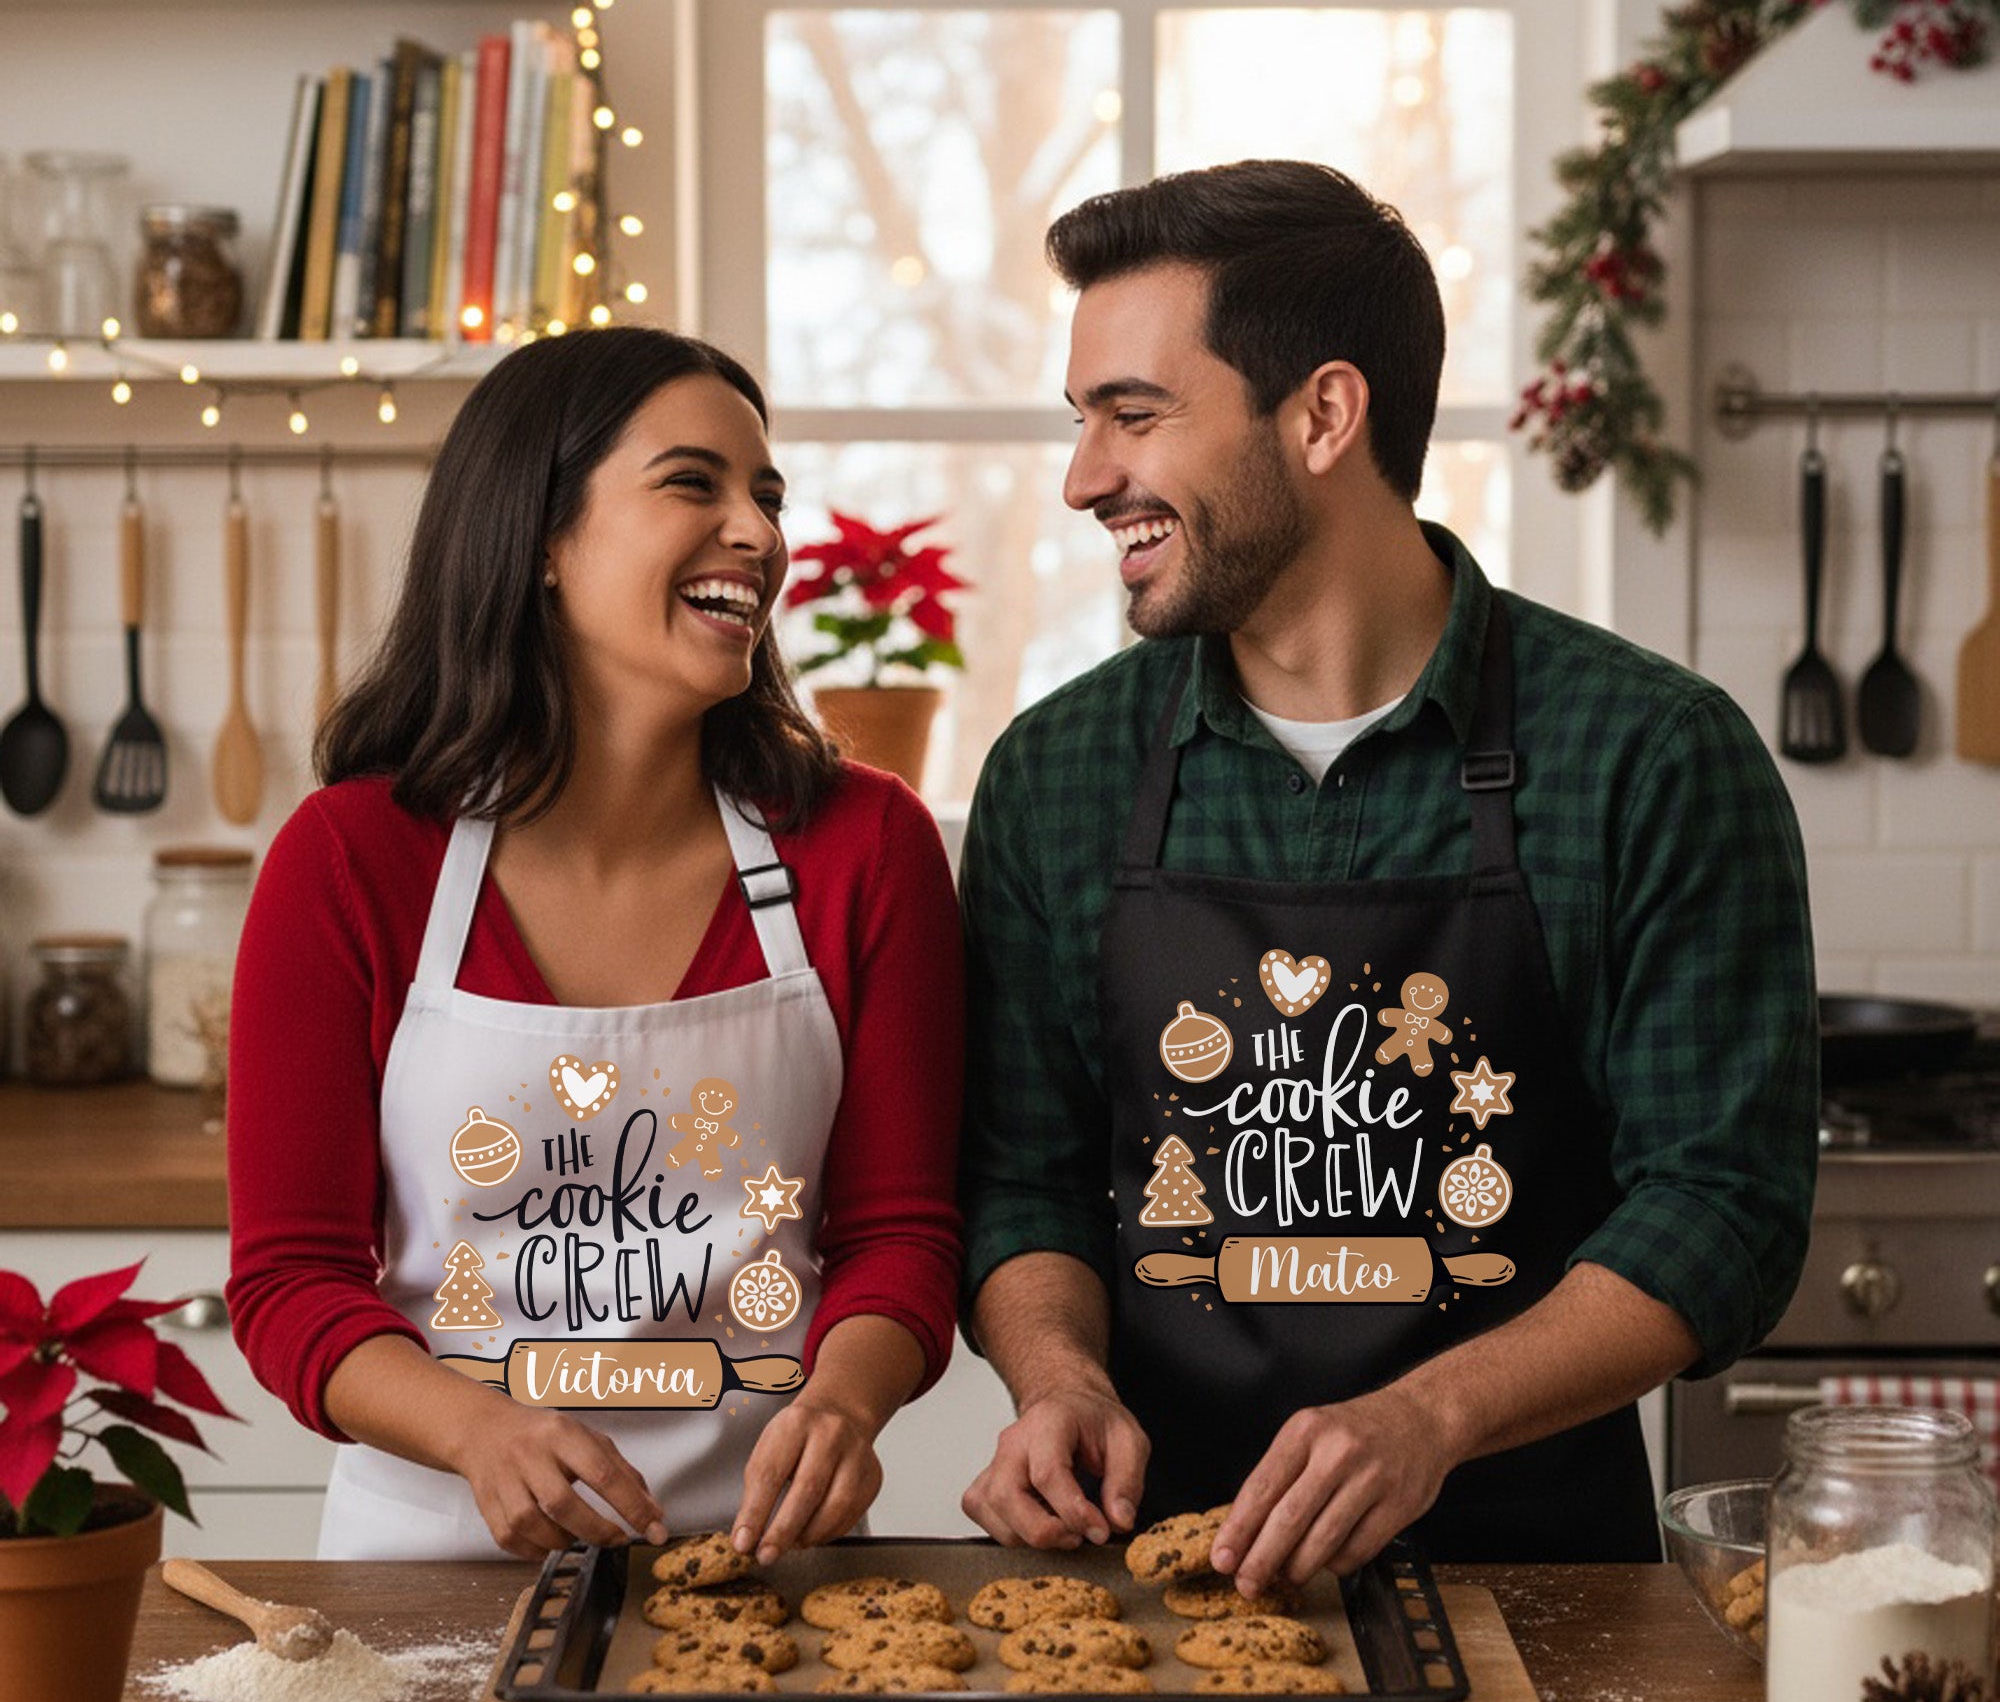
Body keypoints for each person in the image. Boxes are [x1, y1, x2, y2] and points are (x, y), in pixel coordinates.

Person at [957, 161, 1816, 1582]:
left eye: (1135, 415)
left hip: (1539, 1587)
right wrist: (1060, 1380)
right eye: (1082, 419)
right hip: (1153, 1584)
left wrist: (1431, 1417)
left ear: (1323, 415)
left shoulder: (1649, 756)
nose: (1084, 477)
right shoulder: (1060, 774)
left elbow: (1724, 1205)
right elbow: (1022, 1179)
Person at [228, 327, 964, 1561]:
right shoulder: (352, 859)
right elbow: (290, 1279)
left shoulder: (865, 845)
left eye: (767, 495)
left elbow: (901, 1233)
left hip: (768, 1564)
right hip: (432, 1568)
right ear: (542, 539)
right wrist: (476, 1431)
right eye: (693, 483)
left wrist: (843, 1403)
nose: (757, 532)